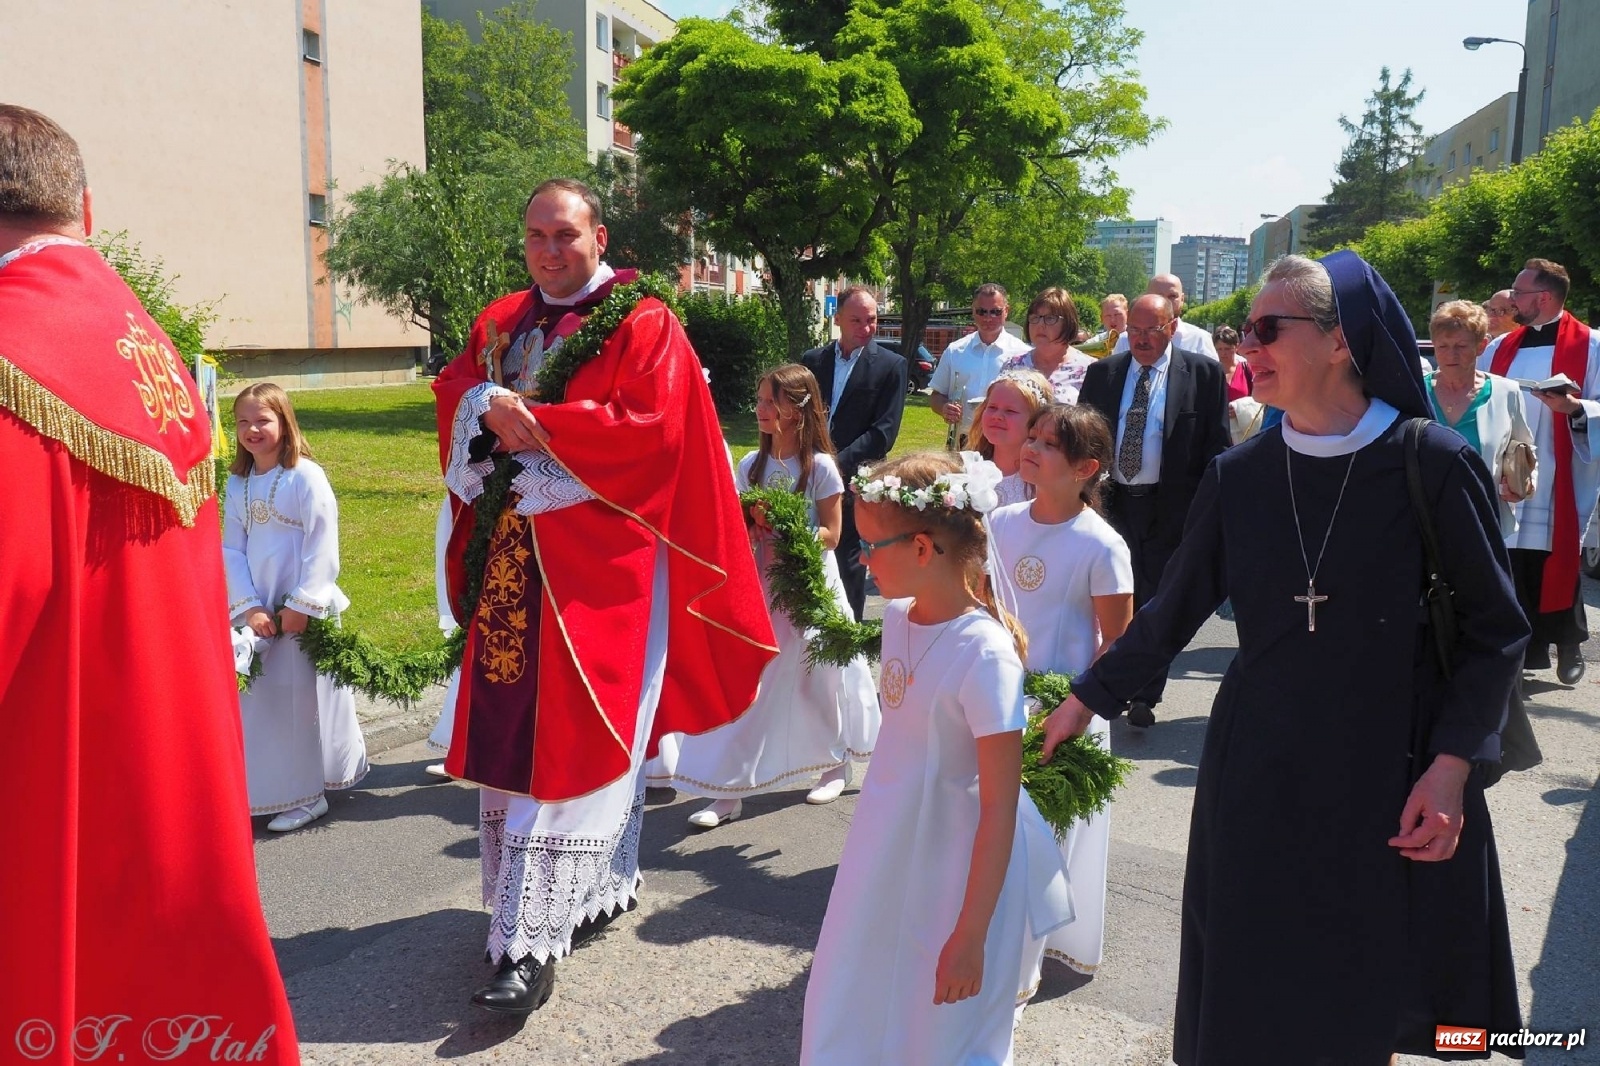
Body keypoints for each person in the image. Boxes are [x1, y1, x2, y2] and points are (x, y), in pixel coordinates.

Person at [1043, 251, 1528, 1065]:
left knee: (1365, 983)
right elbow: (1171, 611)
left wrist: (1452, 770)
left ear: (1341, 340)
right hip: (1259, 764)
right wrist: (1084, 699)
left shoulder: (1432, 462)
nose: (1247, 348)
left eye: (1268, 329)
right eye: (1245, 331)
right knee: (1251, 970)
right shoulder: (1241, 474)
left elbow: (1496, 630)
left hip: (1390, 764)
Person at [433, 178, 778, 1014]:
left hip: (601, 569)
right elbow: (457, 390)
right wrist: (482, 402)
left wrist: (540, 430)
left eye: (566, 234)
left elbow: (654, 432)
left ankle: (526, 948)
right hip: (511, 561)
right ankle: (584, 890)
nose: (550, 251)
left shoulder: (643, 322)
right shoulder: (501, 321)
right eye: (536, 236)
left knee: (577, 733)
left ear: (600, 237)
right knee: (514, 735)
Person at [0, 104, 298, 1061]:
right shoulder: (149, 348)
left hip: (49, 775)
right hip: (171, 765)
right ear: (85, 210)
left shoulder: (12, 354)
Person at [801, 452, 1071, 1066]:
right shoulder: (899, 618)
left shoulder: (985, 655)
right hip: (887, 841)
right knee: (856, 985)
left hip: (953, 865)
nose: (860, 559)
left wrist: (971, 934)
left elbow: (999, 806)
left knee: (937, 1023)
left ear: (922, 548)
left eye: (870, 546)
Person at [666, 364, 878, 828]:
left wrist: (787, 530)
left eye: (770, 402)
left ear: (797, 410)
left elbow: (832, 533)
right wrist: (749, 528)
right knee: (751, 680)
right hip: (762, 584)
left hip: (809, 583)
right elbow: (735, 526)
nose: (760, 410)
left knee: (820, 674)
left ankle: (835, 762)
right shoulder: (750, 466)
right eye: (760, 400)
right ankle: (728, 789)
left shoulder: (820, 467)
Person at [993, 404, 1132, 979]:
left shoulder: (1100, 545)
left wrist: (1073, 703)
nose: (1031, 448)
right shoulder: (1000, 523)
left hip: (1064, 710)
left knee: (1040, 842)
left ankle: (1020, 974)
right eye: (1033, 437)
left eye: (1049, 444)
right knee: (990, 838)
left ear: (1085, 468)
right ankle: (989, 955)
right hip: (999, 700)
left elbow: (1117, 640)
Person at [1077, 294, 1229, 727]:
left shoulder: (1203, 374)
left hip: (1171, 508)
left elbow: (1216, 447)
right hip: (1113, 503)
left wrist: (1205, 513)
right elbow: (1083, 441)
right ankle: (1105, 680)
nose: (1142, 340)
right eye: (1135, 331)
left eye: (1152, 331)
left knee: (1157, 600)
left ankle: (1145, 692)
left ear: (1172, 328)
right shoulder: (1103, 374)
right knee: (1113, 593)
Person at [224, 383, 370, 831]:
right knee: (263, 702)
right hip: (260, 608)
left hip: (300, 606)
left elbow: (322, 542)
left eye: (262, 420)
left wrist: (303, 603)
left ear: (284, 423)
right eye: (243, 422)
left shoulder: (306, 476)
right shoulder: (238, 483)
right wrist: (250, 607)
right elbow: (231, 549)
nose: (252, 430)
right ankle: (266, 787)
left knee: (299, 699)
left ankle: (307, 795)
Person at [1480, 258, 1600, 687]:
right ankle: (1522, 651)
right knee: (1512, 561)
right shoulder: (1500, 347)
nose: (1513, 300)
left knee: (1555, 556)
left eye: (1519, 293)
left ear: (1544, 297)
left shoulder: (1592, 345)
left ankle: (1568, 643)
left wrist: (1575, 408)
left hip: (1558, 472)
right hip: (1508, 471)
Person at [802, 287, 908, 620]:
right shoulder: (812, 362)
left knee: (848, 563)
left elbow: (883, 432)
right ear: (837, 319)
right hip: (806, 474)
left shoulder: (891, 366)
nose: (866, 327)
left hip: (852, 482)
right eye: (856, 320)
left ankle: (847, 635)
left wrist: (835, 464)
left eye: (872, 320)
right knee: (805, 554)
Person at [1426, 300, 1536, 538]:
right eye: (1442, 346)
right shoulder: (1417, 391)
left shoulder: (1506, 392)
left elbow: (1525, 448)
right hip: (1422, 522)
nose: (1451, 354)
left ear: (1481, 346)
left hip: (1482, 522)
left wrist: (1523, 484)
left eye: (1461, 346)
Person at [929, 283, 1030, 445]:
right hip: (963, 439)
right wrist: (944, 408)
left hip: (1006, 442)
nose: (988, 318)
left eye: (995, 311)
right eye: (981, 311)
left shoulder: (1023, 354)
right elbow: (936, 396)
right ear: (973, 311)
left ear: (1006, 311)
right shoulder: (955, 351)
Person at [967, 368, 1054, 507]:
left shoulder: (1044, 487)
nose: (997, 416)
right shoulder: (966, 471)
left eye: (1010, 411)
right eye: (992, 407)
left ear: (1035, 420)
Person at [1001, 286, 1093, 401]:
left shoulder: (1090, 370)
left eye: (1050, 318)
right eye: (1035, 317)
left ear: (1068, 323)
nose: (1040, 324)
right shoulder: (1013, 365)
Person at [1111, 274, 1219, 360]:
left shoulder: (1199, 340)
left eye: (1172, 296)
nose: (1166, 302)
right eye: (1159, 296)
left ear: (1182, 299)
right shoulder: (1125, 340)